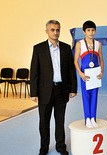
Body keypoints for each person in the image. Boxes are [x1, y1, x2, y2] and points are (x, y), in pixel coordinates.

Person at [30, 20, 77, 155]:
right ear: (47, 31)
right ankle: (44, 148)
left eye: (57, 30)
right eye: (52, 30)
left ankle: (60, 146)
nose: (55, 32)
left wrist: (73, 88)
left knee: (60, 120)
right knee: (44, 122)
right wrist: (34, 92)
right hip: (45, 92)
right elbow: (34, 71)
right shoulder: (38, 49)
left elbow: (70, 70)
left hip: (61, 90)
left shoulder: (66, 48)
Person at [74, 20, 104, 128]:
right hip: (85, 75)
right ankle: (87, 118)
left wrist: (101, 72)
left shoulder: (98, 44)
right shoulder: (80, 44)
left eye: (92, 30)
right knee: (86, 96)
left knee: (95, 96)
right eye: (88, 30)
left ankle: (93, 118)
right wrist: (81, 74)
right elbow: (76, 61)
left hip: (95, 74)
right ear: (84, 32)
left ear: (95, 31)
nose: (91, 32)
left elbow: (101, 59)